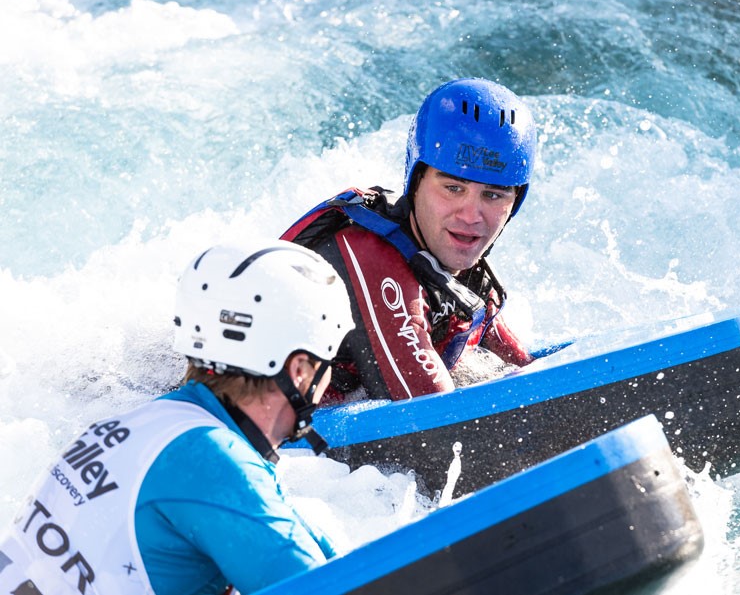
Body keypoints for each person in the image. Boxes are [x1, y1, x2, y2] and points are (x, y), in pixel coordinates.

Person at [0, 240, 354, 595]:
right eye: (328, 364)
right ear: (299, 371)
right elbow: (324, 589)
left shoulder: (143, 424)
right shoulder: (213, 464)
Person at [281, 78, 537, 401]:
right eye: (453, 188)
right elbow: (434, 423)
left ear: (515, 203)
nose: (472, 215)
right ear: (415, 183)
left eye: (493, 195)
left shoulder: (460, 270)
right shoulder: (371, 256)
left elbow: (530, 371)